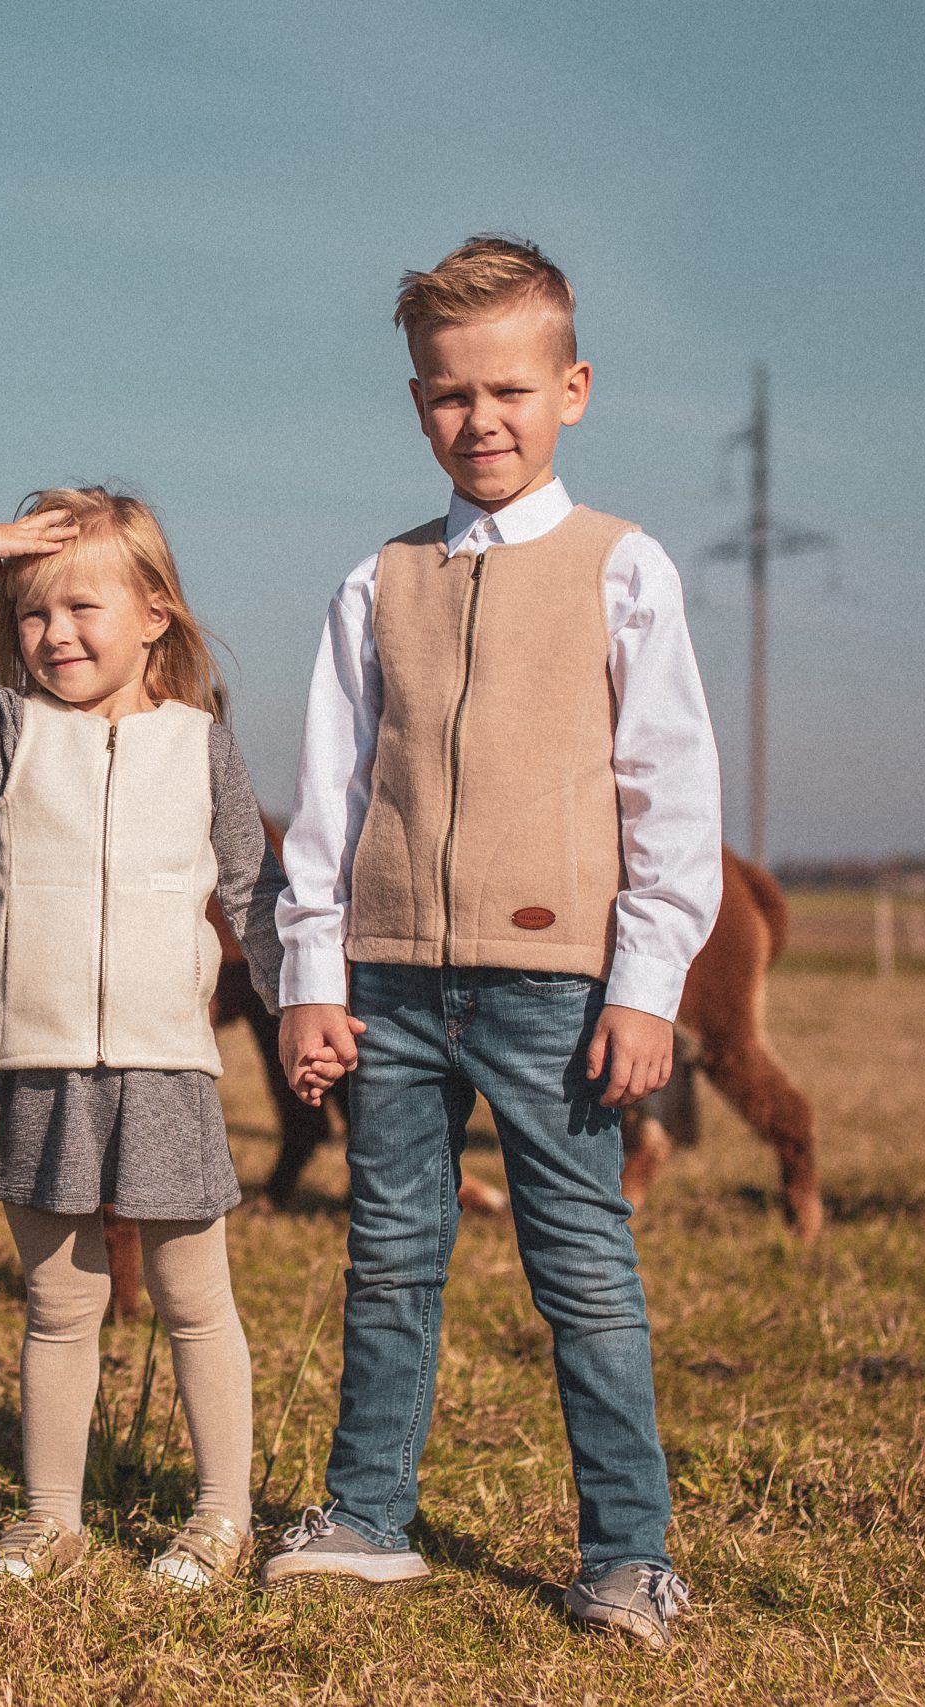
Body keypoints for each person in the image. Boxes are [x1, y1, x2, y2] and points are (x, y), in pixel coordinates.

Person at [262, 235, 723, 1651]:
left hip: (557, 989)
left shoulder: (622, 568)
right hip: (390, 982)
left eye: (513, 389)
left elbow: (672, 789)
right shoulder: (374, 584)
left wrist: (646, 985)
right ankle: (365, 1516)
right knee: (391, 1252)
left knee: (581, 1262)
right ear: (419, 405)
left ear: (572, 389)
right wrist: (312, 980)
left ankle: (629, 1554)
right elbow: (332, 801)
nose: (485, 419)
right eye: (454, 394)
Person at [0, 486, 286, 1590]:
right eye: (33, 618)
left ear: (154, 613)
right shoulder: (8, 733)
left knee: (195, 1305)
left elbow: (252, 894)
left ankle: (220, 1519)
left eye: (81, 609)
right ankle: (50, 1520)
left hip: (164, 1070)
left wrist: (300, 1017)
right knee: (59, 1305)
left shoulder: (203, 747)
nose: (53, 636)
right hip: (39, 1071)